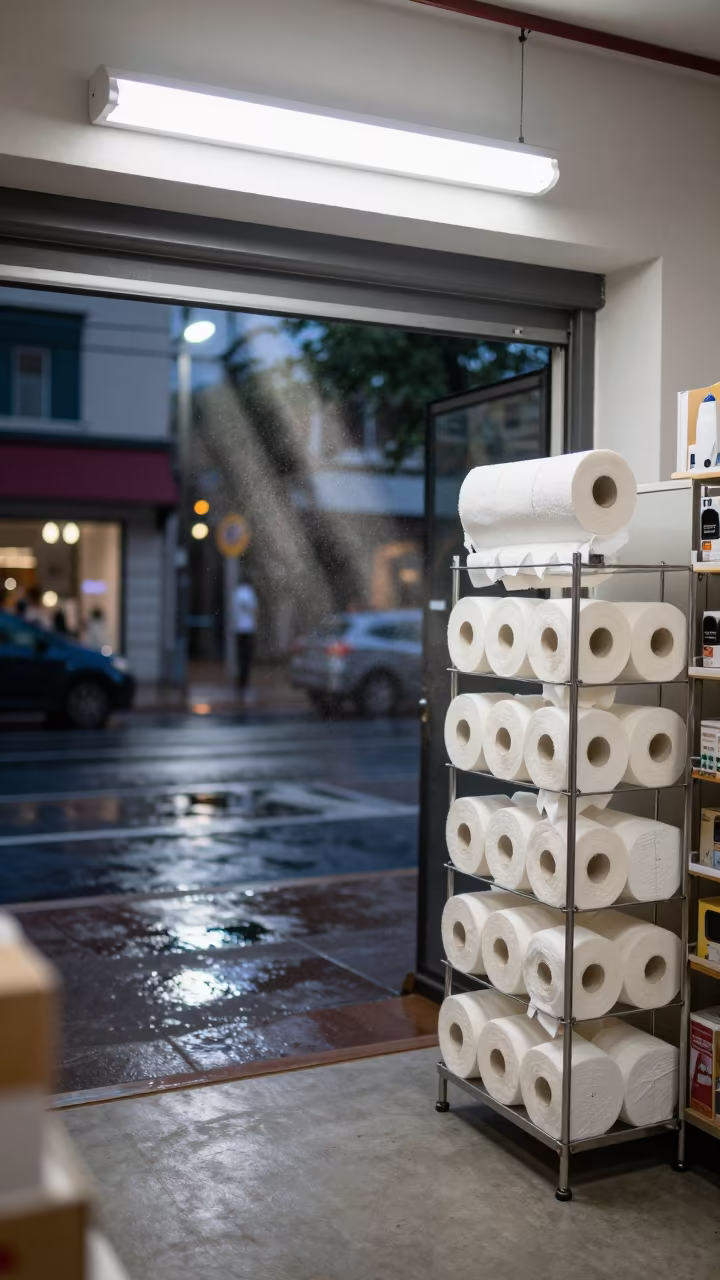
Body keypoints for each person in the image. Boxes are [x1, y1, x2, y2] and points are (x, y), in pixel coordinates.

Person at [232, 570, 258, 699]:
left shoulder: (236, 593)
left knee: (240, 656)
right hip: (248, 629)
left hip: (238, 628)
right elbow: (254, 610)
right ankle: (244, 681)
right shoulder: (250, 593)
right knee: (247, 657)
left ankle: (239, 681)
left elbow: (233, 611)